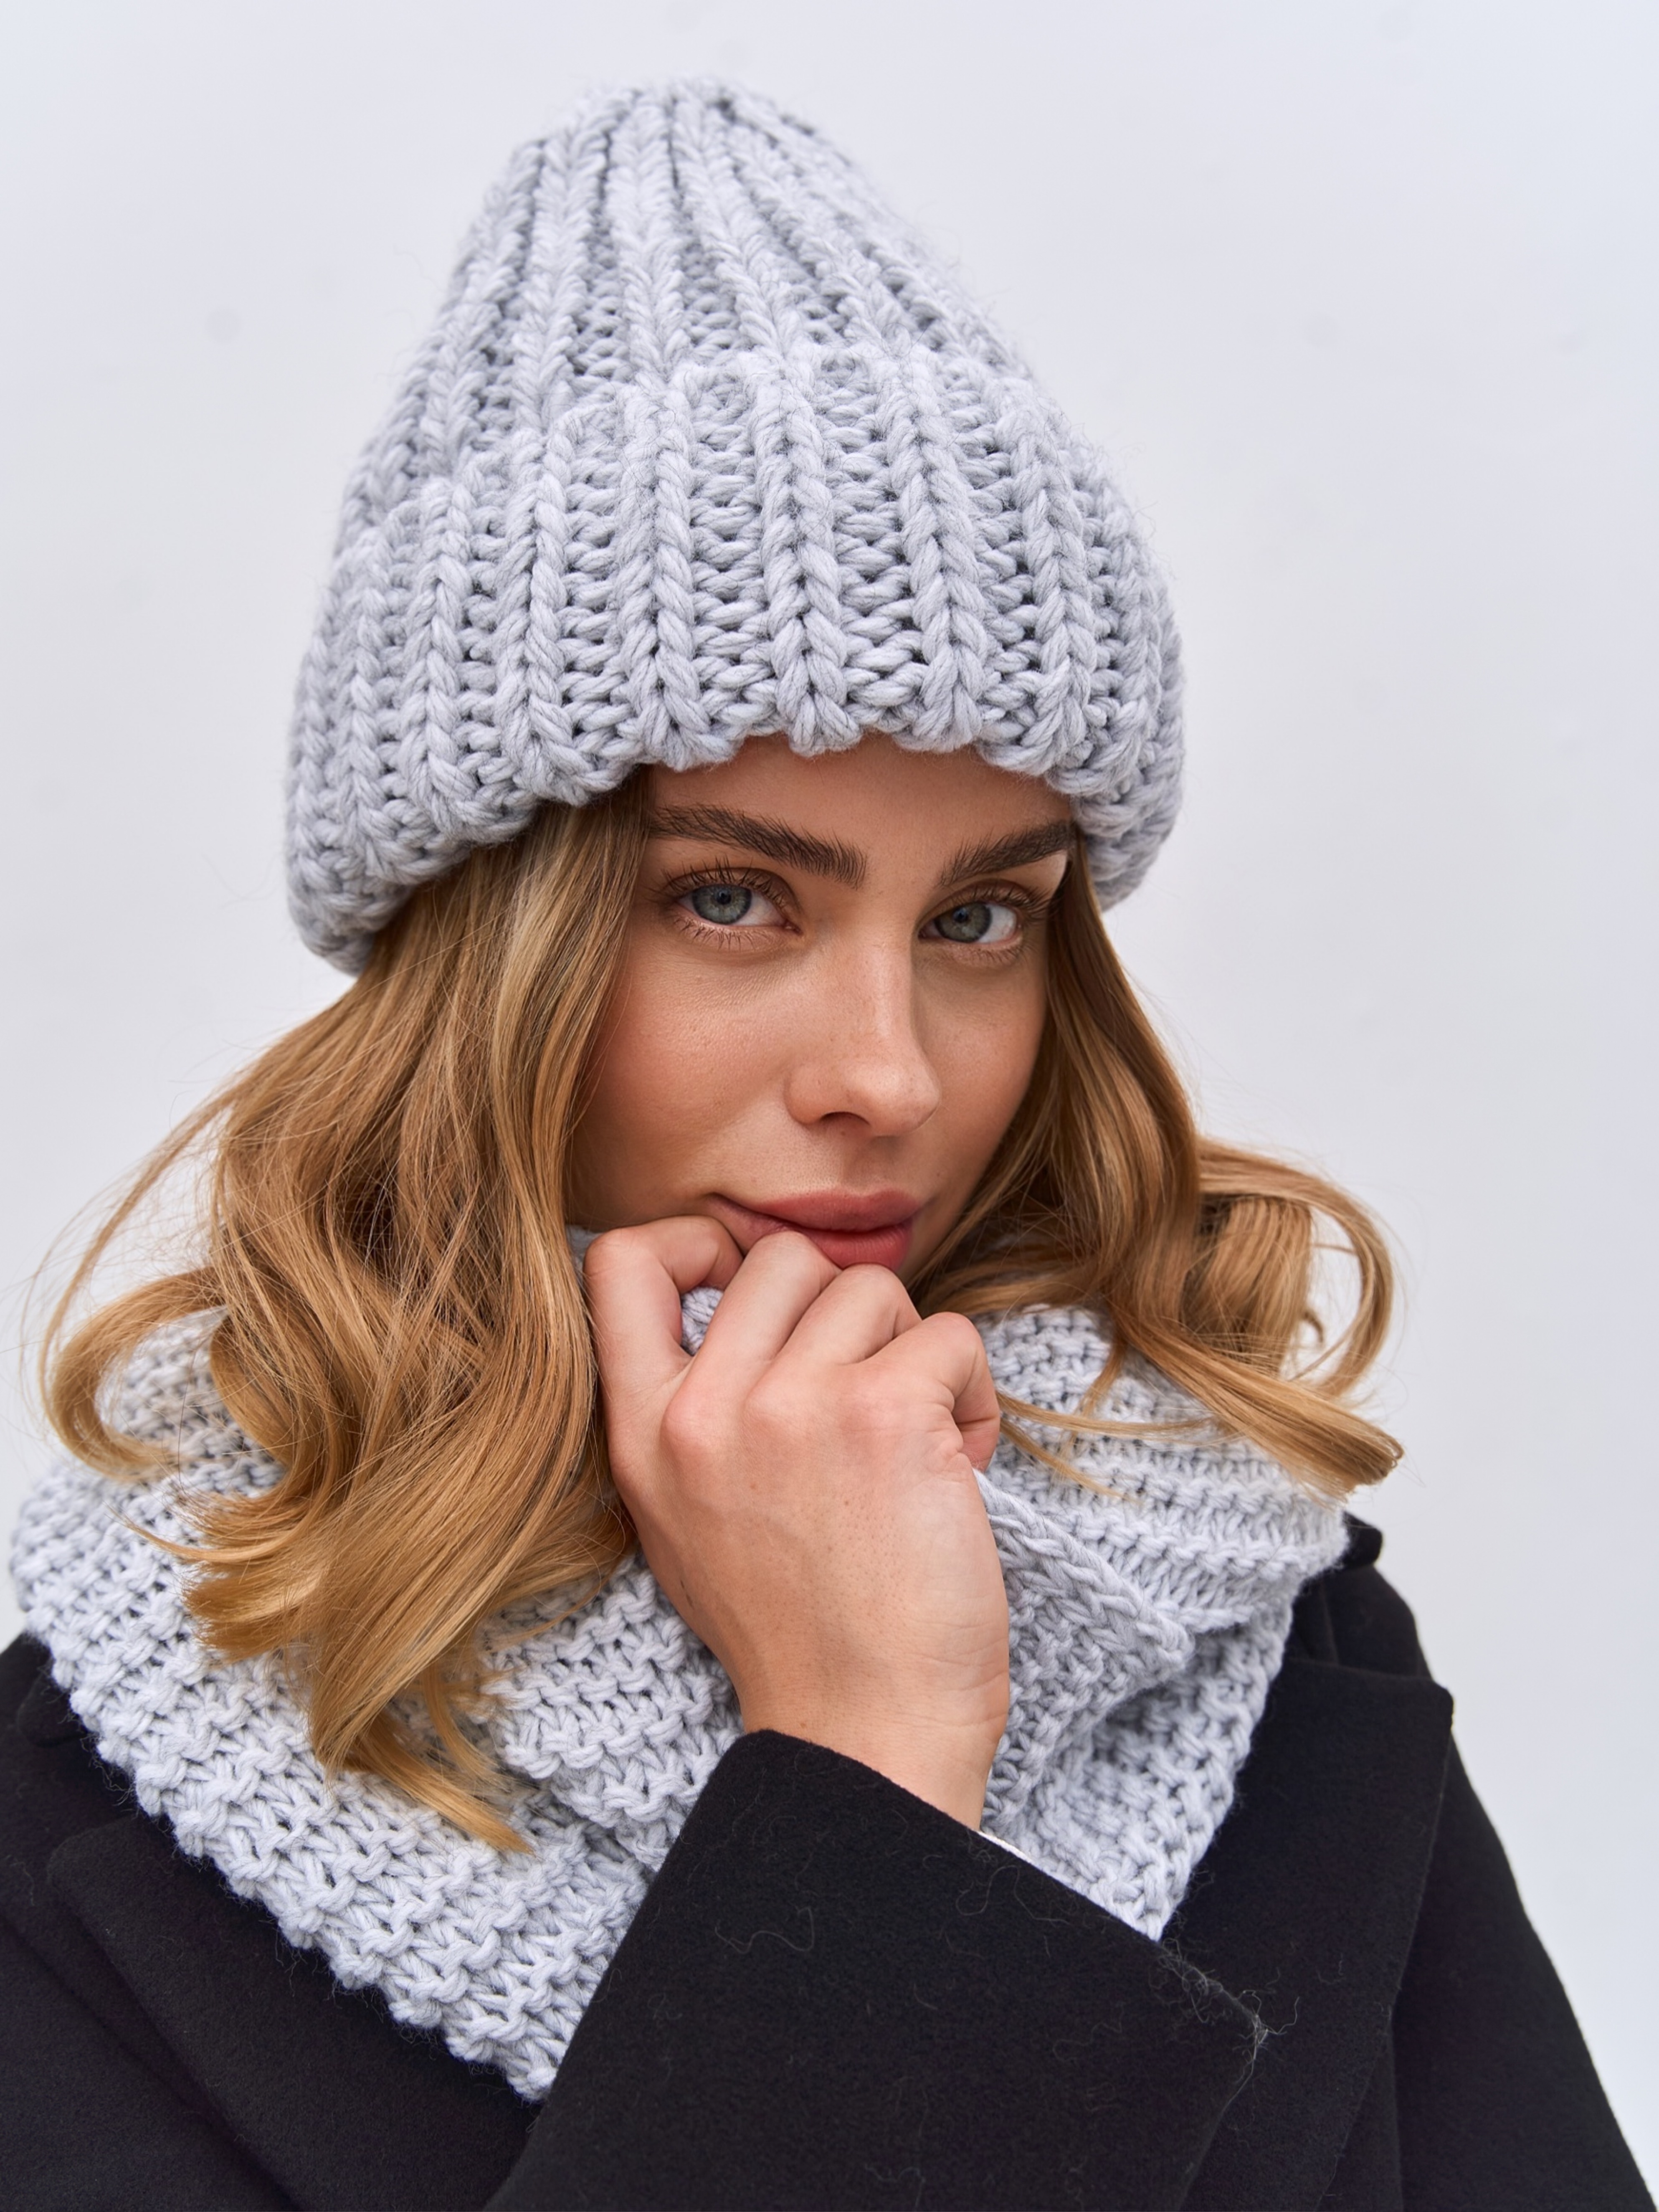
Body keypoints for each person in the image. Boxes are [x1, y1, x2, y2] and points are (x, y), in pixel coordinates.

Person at [1, 80, 1646, 2212]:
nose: (891, 1073)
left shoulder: (1256, 1615)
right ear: (482, 947)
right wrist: (865, 1756)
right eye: (733, 897)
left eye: (979, 918)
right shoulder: (107, 1777)